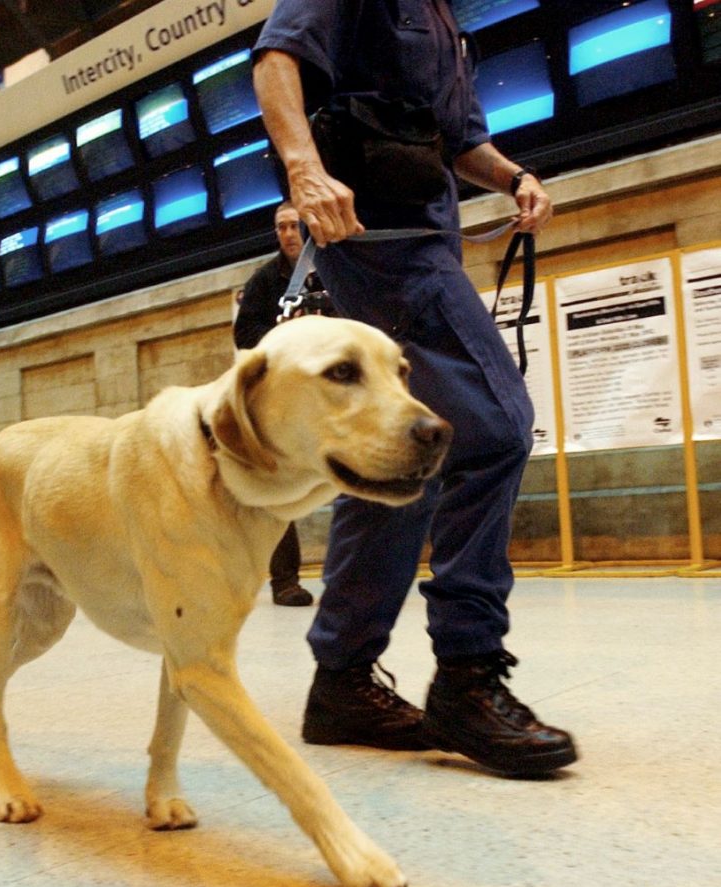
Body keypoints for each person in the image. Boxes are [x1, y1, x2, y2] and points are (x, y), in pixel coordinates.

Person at [252, 0, 577, 775]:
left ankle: (341, 680)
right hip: (381, 241)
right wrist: (305, 171)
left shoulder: (442, 17)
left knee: (396, 467)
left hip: (424, 236)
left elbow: (459, 139)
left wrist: (513, 176)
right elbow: (276, 60)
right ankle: (468, 673)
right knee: (496, 425)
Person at [234, 201, 330, 607]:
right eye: (281, 227)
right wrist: (280, 331)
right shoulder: (264, 280)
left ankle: (359, 575)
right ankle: (285, 581)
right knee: (278, 489)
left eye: (294, 225)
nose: (288, 234)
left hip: (333, 395)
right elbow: (245, 334)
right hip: (284, 400)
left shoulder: (334, 266)